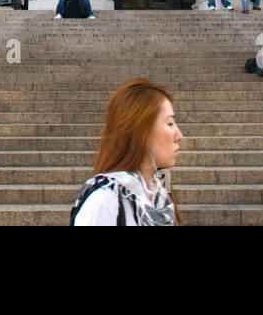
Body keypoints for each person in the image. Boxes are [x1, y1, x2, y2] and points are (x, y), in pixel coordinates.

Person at [71, 78, 182, 226]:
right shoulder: (106, 200)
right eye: (170, 123)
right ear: (142, 130)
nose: (179, 135)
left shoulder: (160, 196)